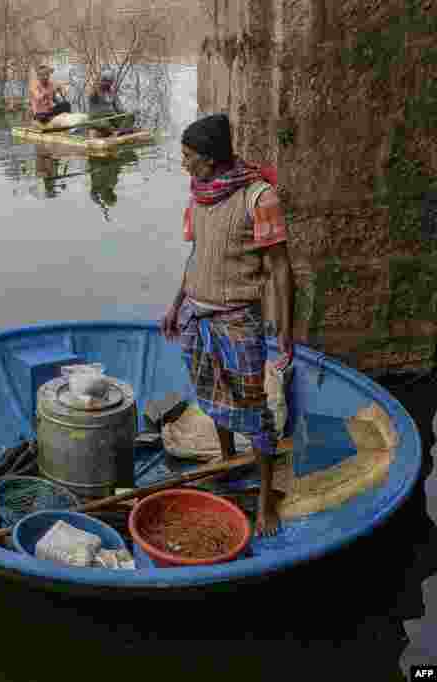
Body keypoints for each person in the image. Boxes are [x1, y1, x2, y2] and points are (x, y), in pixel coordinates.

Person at [160, 113, 294, 537]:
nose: (184, 163)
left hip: (237, 319)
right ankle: (224, 457)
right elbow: (196, 256)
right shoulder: (198, 194)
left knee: (253, 409)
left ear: (212, 158)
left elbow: (280, 267)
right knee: (211, 394)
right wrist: (175, 304)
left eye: (189, 156)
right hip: (196, 317)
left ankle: (267, 497)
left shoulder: (259, 196)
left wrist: (286, 327)